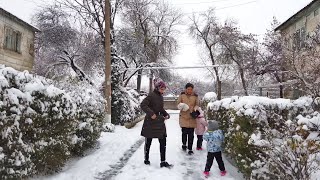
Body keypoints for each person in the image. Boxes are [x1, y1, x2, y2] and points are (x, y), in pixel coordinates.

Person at [140, 78, 173, 168]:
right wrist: (151, 113)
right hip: (150, 122)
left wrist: (165, 114)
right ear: (157, 88)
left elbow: (160, 108)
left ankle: (163, 161)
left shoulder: (160, 97)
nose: (163, 90)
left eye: (164, 89)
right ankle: (146, 159)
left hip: (159, 121)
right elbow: (143, 105)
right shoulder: (151, 95)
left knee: (163, 141)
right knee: (148, 141)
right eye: (162, 89)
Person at [177, 83, 199, 155]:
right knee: (184, 132)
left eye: (191, 89)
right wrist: (182, 106)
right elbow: (178, 104)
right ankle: (184, 144)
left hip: (192, 116)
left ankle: (190, 148)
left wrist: (195, 109)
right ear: (186, 89)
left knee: (191, 134)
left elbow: (197, 104)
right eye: (188, 89)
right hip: (183, 116)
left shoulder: (195, 96)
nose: (190, 90)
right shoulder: (182, 95)